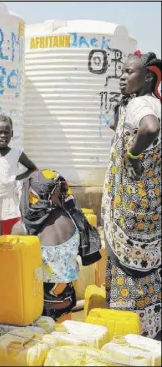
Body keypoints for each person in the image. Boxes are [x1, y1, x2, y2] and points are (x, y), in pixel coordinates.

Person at [101, 50, 161, 339]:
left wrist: (133, 154)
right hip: (150, 211)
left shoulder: (140, 104)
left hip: (129, 211)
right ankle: (150, 331)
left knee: (127, 271)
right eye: (122, 72)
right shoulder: (153, 102)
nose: (122, 77)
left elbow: (149, 128)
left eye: (128, 73)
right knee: (149, 275)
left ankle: (127, 334)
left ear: (148, 76)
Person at [12, 170, 88, 321]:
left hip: (39, 306)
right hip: (67, 300)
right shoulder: (73, 219)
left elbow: (14, 272)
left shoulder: (23, 228)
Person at [0, 114, 37, 239]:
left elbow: (33, 168)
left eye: (6, 132)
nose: (3, 136)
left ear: (12, 133)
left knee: (10, 236)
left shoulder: (17, 153)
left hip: (11, 200)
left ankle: (8, 258)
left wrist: (18, 178)